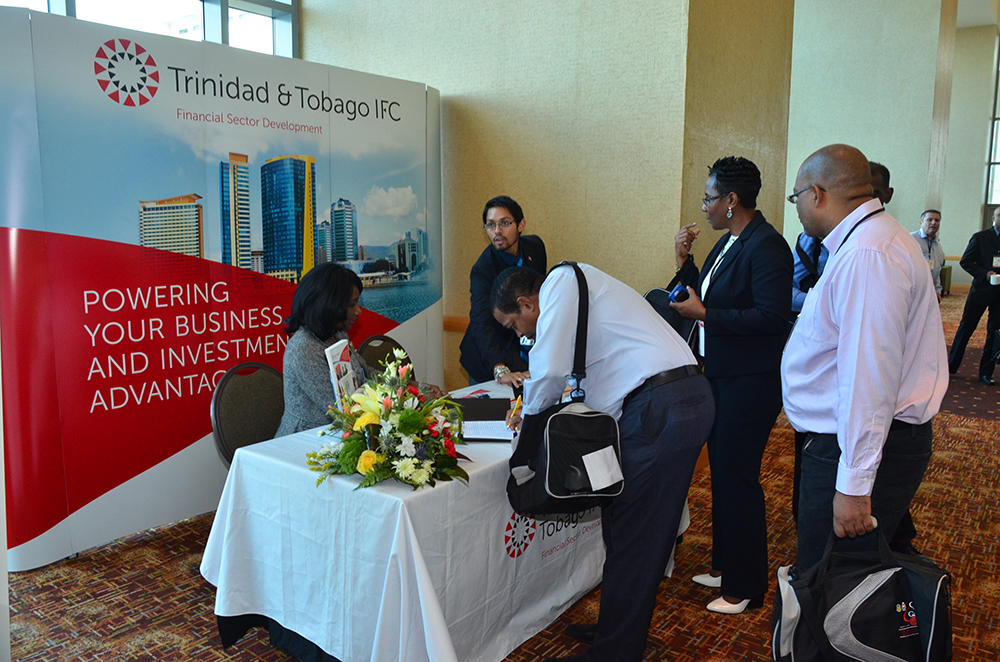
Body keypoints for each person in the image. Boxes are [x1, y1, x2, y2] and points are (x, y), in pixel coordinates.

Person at [493, 264, 714, 662]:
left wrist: (527, 438)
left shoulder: (561, 282)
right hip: (669, 401)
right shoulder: (582, 288)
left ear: (527, 304)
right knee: (620, 523)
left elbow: (548, 372)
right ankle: (615, 627)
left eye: (514, 325)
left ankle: (616, 651)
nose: (520, 334)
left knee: (637, 536)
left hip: (663, 405)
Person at [782, 144, 948, 572]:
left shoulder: (868, 254)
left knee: (829, 580)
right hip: (858, 438)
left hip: (860, 442)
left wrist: (854, 485)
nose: (797, 208)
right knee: (835, 575)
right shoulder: (869, 240)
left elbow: (869, 377)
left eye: (796, 196)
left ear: (816, 194)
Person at [671, 156, 793, 613]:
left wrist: (705, 315)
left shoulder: (767, 246)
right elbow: (707, 297)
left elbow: (771, 317)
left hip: (751, 382)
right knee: (721, 475)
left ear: (732, 200)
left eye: (709, 198)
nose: (704, 206)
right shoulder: (730, 241)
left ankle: (745, 587)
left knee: (738, 478)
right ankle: (725, 566)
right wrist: (684, 263)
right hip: (722, 373)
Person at [275, 263, 442, 437]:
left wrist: (409, 387)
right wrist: (405, 398)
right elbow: (341, 408)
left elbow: (365, 373)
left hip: (343, 432)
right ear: (328, 305)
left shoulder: (338, 333)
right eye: (352, 304)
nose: (358, 311)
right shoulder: (303, 349)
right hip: (305, 439)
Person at [459, 195, 546, 387]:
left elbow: (540, 297)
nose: (497, 231)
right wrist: (499, 369)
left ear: (521, 225)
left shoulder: (535, 248)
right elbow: (480, 321)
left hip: (524, 349)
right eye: (490, 225)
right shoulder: (483, 269)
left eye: (504, 223)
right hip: (489, 356)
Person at [947, 207, 1000, 385]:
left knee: (994, 334)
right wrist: (985, 274)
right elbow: (966, 262)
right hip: (981, 290)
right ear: (993, 217)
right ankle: (951, 365)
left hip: (999, 295)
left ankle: (986, 373)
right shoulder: (980, 237)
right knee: (966, 328)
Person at [912, 209, 944, 302]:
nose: (934, 223)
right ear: (921, 223)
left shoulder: (937, 244)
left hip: (931, 293)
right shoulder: (911, 239)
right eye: (929, 220)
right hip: (914, 291)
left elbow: (937, 270)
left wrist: (937, 290)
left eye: (937, 220)